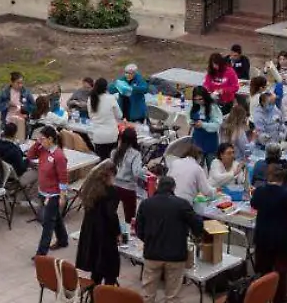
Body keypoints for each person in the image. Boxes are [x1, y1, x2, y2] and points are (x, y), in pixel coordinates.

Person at [136, 175, 206, 303]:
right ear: (173, 188)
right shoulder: (182, 204)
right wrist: (196, 235)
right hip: (176, 255)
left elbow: (139, 230)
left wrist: (149, 240)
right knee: (172, 296)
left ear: (157, 186)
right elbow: (197, 224)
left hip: (152, 253)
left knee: (147, 295)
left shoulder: (146, 204)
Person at [249, 161, 287, 303]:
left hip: (263, 238)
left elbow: (253, 204)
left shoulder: (259, 192)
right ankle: (279, 298)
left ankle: (262, 296)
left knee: (263, 270)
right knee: (280, 272)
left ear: (268, 177)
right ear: (282, 179)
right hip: (282, 240)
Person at [74, 162, 124, 287]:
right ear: (110, 175)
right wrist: (117, 233)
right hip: (104, 233)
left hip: (90, 231)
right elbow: (111, 215)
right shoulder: (111, 191)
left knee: (96, 268)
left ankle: (94, 296)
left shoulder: (90, 188)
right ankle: (106, 296)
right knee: (110, 269)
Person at [33, 126, 72, 256]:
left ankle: (41, 253)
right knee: (56, 218)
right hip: (43, 190)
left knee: (48, 223)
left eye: (42, 139)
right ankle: (63, 239)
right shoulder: (42, 150)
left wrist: (62, 196)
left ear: (50, 139)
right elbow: (30, 155)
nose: (40, 141)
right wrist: (37, 143)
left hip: (53, 193)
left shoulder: (59, 156)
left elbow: (63, 177)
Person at [110, 126, 147, 224]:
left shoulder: (114, 152)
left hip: (114, 185)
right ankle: (127, 235)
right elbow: (136, 172)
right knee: (130, 218)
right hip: (128, 188)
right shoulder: (136, 154)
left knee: (110, 212)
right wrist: (145, 169)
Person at [87, 77, 122, 157]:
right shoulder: (111, 98)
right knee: (112, 161)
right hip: (111, 135)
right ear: (106, 87)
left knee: (101, 163)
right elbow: (119, 115)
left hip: (98, 136)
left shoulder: (91, 99)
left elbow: (90, 116)